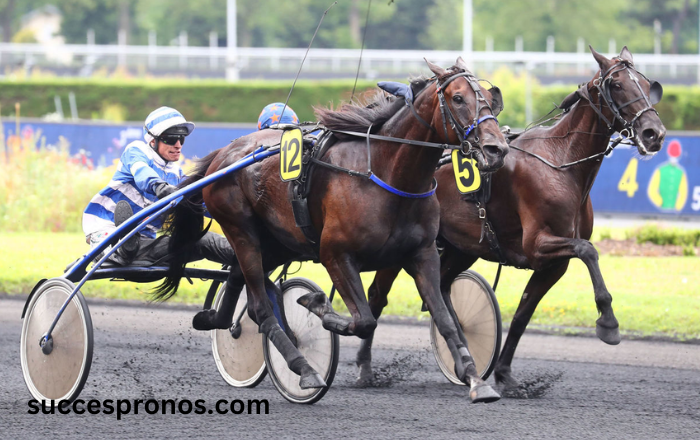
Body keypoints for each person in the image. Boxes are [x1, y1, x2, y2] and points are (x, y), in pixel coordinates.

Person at [81, 106, 235, 267]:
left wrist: (229, 211)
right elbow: (142, 173)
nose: (178, 144)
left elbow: (202, 205)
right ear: (152, 140)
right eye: (171, 139)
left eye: (181, 138)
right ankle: (119, 248)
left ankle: (252, 257)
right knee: (121, 242)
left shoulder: (176, 174)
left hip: (145, 244)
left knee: (205, 241)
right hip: (105, 229)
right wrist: (160, 187)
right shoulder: (137, 151)